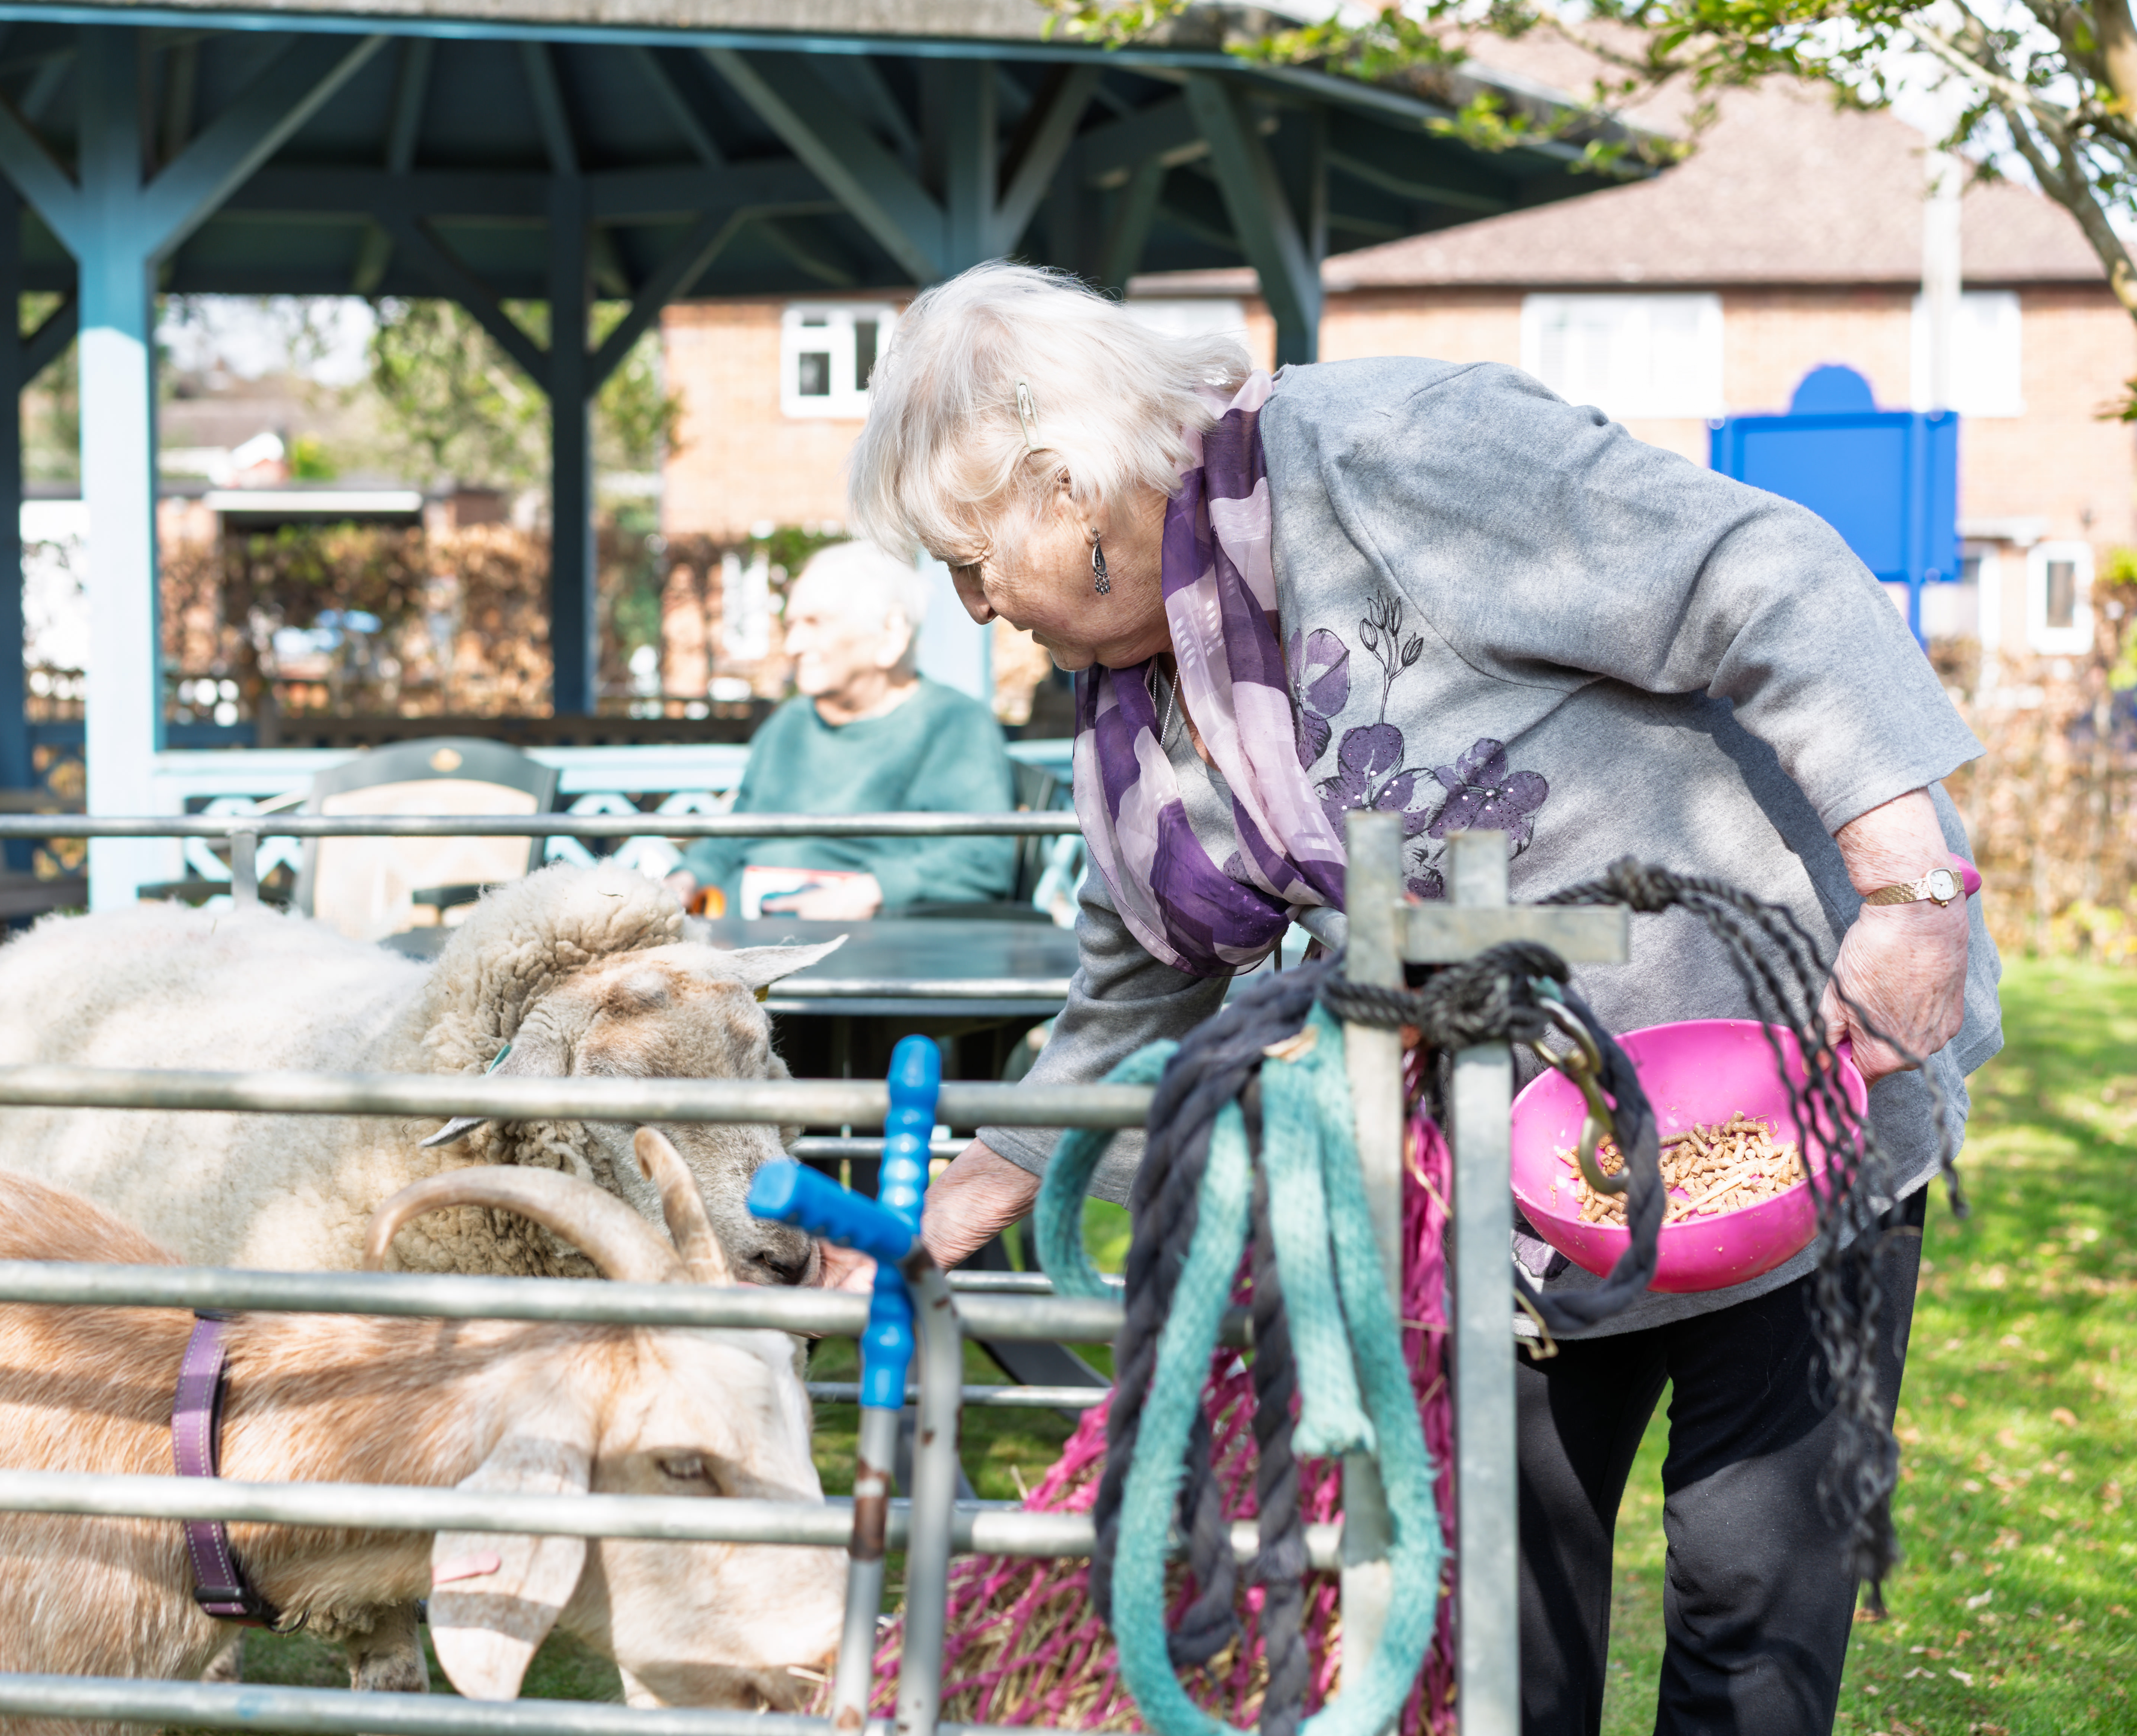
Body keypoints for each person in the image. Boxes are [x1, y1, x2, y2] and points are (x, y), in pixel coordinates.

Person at [834, 262, 1999, 1735]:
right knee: (1500, 1626)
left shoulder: (1388, 447)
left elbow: (1760, 571)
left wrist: (1905, 894)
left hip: (1782, 1076)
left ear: (1067, 486)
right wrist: (979, 1181)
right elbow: (1135, 981)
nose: (974, 603)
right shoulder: (1138, 695)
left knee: (1752, 1593)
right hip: (1512, 1177)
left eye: (966, 558)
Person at [669, 540, 1016, 920]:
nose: (795, 644)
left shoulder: (952, 723)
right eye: (792, 626)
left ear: (891, 632)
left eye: (816, 624)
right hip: (742, 936)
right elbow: (737, 832)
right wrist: (690, 876)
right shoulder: (790, 723)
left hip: (867, 950)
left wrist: (873, 892)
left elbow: (984, 858)